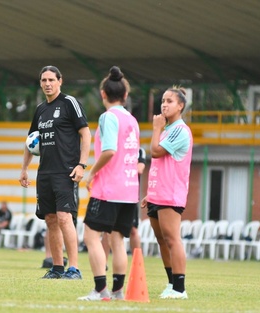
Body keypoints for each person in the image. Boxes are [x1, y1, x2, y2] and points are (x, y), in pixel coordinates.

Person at [19, 65, 91, 279]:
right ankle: (57, 267)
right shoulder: (40, 109)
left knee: (64, 217)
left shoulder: (70, 103)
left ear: (60, 81)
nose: (48, 84)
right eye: (44, 80)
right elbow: (30, 141)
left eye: (51, 79)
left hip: (66, 171)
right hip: (45, 173)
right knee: (50, 219)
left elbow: (85, 134)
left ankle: (74, 268)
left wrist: (82, 165)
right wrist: (24, 168)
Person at [77, 66, 140, 301]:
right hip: (129, 190)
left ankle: (100, 290)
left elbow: (110, 150)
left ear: (103, 94)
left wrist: (91, 173)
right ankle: (117, 292)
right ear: (125, 96)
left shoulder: (108, 117)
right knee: (117, 241)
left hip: (108, 189)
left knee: (91, 238)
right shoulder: (131, 120)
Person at [140, 86, 193, 300]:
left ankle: (180, 288)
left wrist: (155, 128)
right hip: (157, 194)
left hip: (171, 194)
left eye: (170, 101)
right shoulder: (168, 130)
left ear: (180, 106)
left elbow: (155, 152)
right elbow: (160, 165)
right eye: (163, 100)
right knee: (162, 240)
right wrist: (150, 192)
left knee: (172, 239)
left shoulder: (180, 130)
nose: (164, 104)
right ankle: (171, 284)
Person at [101, 146, 146, 266]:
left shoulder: (139, 151)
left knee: (133, 230)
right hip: (111, 194)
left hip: (129, 195)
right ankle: (103, 262)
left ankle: (138, 262)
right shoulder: (115, 149)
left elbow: (140, 169)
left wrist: (121, 168)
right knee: (107, 230)